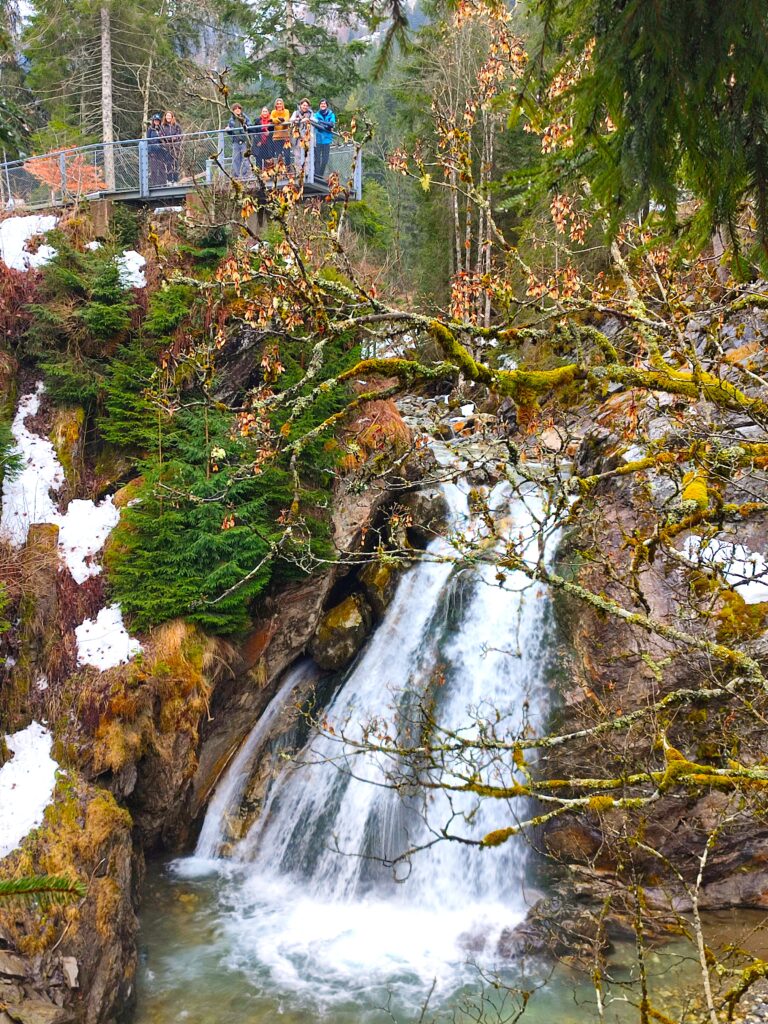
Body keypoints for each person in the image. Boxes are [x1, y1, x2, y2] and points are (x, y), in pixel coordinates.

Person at [227, 102, 253, 179]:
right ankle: (237, 176)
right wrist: (228, 129)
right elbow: (231, 131)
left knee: (246, 159)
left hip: (244, 141)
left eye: (239, 108)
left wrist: (246, 127)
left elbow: (250, 126)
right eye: (235, 109)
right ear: (233, 110)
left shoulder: (245, 117)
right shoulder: (231, 119)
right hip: (235, 142)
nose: (237, 110)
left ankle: (246, 175)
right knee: (236, 159)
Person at [313, 99, 336, 179]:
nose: (323, 105)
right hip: (318, 139)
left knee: (325, 160)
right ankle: (317, 176)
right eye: (321, 104)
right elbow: (316, 124)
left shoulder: (331, 114)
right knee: (317, 159)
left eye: (324, 104)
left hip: (327, 139)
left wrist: (321, 122)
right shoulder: (316, 114)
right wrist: (326, 126)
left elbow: (332, 124)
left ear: (327, 105)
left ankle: (320, 175)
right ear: (319, 105)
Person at [290, 97, 313, 172]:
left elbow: (314, 120)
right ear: (300, 105)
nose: (305, 107)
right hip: (297, 138)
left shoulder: (310, 113)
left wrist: (308, 120)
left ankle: (306, 172)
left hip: (307, 138)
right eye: (303, 105)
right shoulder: (296, 113)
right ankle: (298, 171)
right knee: (297, 155)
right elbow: (291, 120)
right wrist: (301, 120)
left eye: (306, 105)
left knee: (307, 155)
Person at [159, 110, 182, 184]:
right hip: (166, 147)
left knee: (175, 163)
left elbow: (179, 135)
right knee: (168, 163)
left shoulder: (176, 126)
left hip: (175, 147)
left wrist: (174, 139)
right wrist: (165, 143)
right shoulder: (162, 126)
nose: (168, 117)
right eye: (167, 116)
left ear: (172, 117)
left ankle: (175, 180)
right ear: (165, 117)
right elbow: (161, 136)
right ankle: (169, 180)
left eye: (169, 116)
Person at [147, 113, 167, 188]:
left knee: (162, 168)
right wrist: (149, 152)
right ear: (153, 121)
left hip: (161, 151)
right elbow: (147, 140)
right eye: (155, 120)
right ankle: (154, 185)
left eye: (158, 120)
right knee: (153, 169)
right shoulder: (150, 129)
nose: (156, 122)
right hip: (153, 152)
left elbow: (165, 139)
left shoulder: (161, 129)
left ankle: (163, 184)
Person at [270, 98, 292, 167]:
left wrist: (277, 120)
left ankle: (288, 169)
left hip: (285, 137)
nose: (279, 105)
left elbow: (286, 120)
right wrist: (279, 120)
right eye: (277, 104)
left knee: (287, 155)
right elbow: (271, 120)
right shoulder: (273, 112)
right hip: (277, 137)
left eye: (280, 104)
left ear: (283, 105)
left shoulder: (286, 111)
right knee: (279, 155)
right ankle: (280, 171)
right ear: (275, 105)